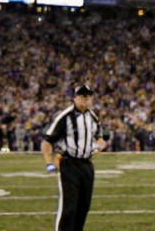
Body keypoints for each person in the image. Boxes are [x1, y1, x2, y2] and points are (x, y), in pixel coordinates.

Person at [42, 84, 106, 231]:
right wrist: (48, 162)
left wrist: (97, 146)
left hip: (87, 165)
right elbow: (48, 140)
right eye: (82, 95)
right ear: (74, 97)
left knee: (84, 206)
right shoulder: (65, 117)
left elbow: (101, 140)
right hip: (69, 164)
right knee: (69, 206)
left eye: (88, 95)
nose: (85, 98)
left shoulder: (93, 117)